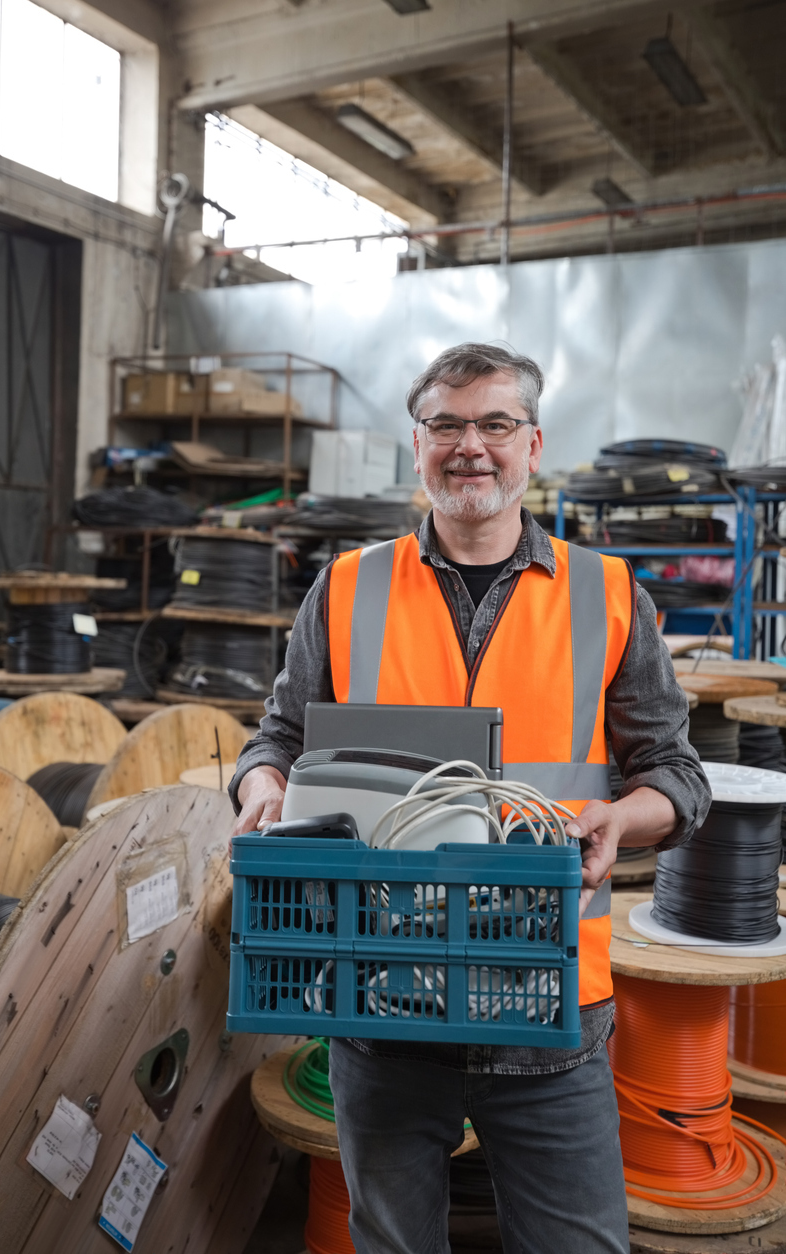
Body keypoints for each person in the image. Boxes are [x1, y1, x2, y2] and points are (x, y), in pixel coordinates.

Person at [229, 342, 710, 1254]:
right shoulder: (345, 588)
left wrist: (622, 817)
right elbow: (277, 741)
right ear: (417, 446)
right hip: (378, 987)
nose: (469, 447)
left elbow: (678, 776)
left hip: (551, 992)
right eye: (445, 425)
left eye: (494, 424)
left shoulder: (608, 595)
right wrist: (265, 791)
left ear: (533, 443)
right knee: (393, 1241)